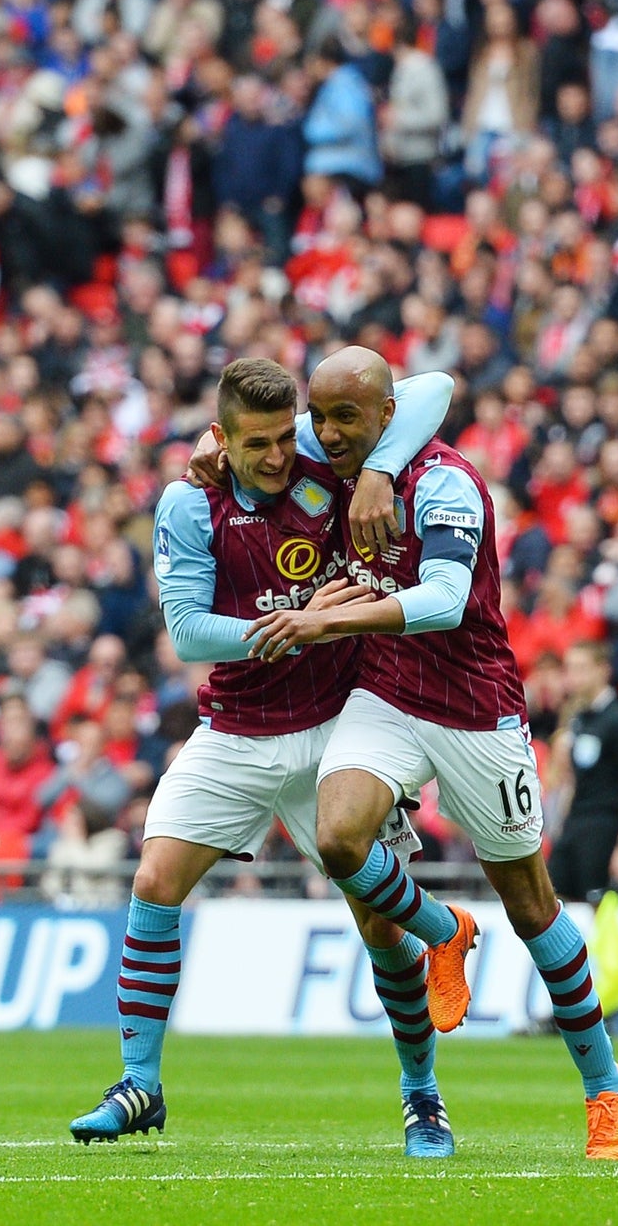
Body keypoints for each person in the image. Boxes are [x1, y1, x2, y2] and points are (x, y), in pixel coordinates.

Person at [244, 347, 618, 1161]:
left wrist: (331, 621)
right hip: (385, 695)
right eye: (319, 417)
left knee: (533, 907)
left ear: (386, 416)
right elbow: (311, 430)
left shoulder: (448, 482)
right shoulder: (331, 454)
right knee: (339, 836)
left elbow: (446, 599)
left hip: (473, 705)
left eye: (344, 417)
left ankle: (605, 1086)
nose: (323, 434)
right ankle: (441, 930)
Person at [67, 357, 461, 1145]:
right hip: (236, 727)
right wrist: (290, 626)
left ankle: (422, 1095)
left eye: (288, 436)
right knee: (154, 877)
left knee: (377, 928)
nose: (281, 456)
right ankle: (141, 1082)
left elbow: (436, 388)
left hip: (337, 724)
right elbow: (187, 633)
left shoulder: (323, 454)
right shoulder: (189, 502)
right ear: (221, 438)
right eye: (260, 443)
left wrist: (380, 469)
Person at [551, 642, 618, 902]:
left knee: (598, 906)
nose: (573, 676)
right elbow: (572, 780)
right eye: (569, 669)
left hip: (603, 826)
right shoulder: (579, 718)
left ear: (603, 670)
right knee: (553, 901)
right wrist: (561, 826)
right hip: (574, 826)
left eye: (581, 668)